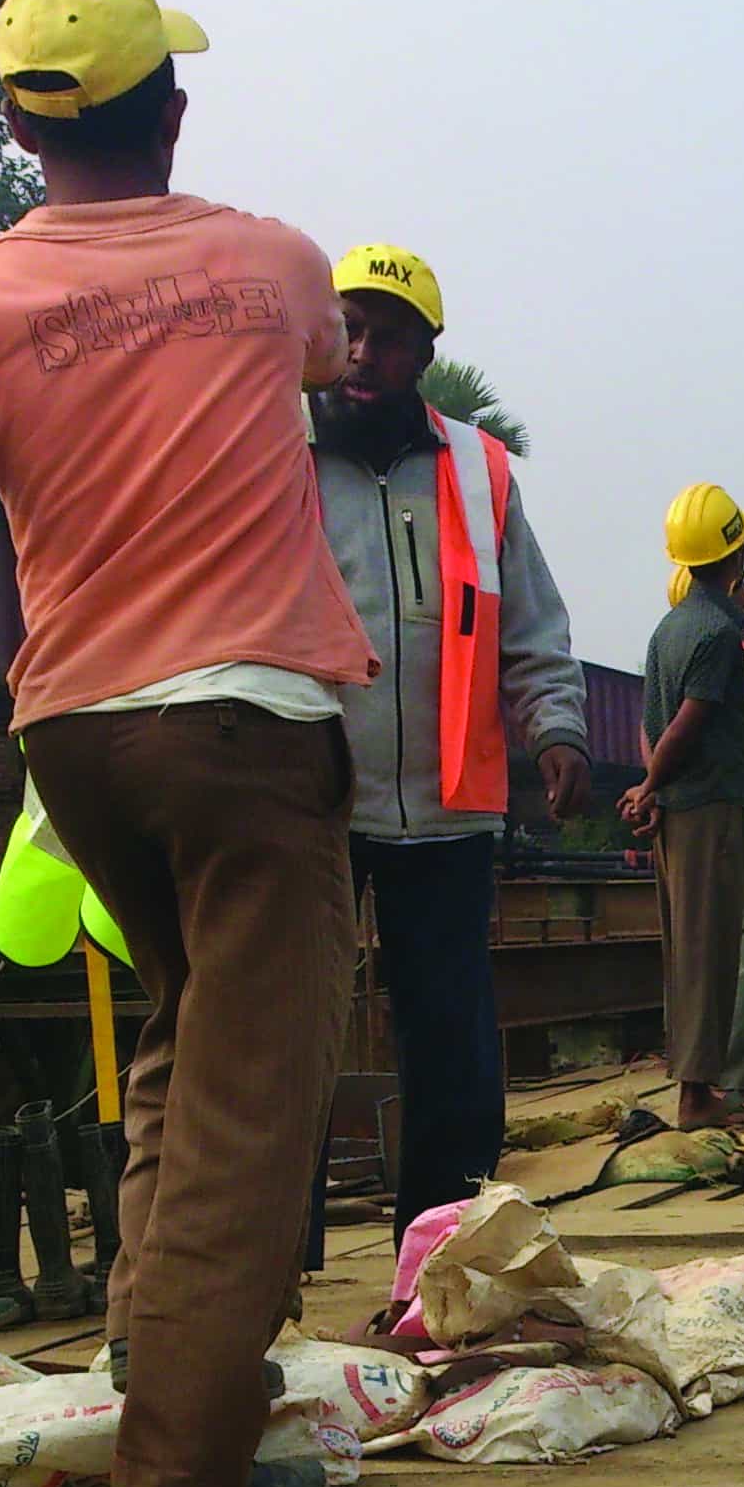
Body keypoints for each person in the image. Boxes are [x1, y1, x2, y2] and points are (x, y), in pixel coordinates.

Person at [0, 0, 372, 1487]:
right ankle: (184, 1465)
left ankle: (152, 1344)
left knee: (185, 1040)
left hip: (74, 734)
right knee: (255, 1098)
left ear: (20, 130)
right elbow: (326, 365)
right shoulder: (272, 261)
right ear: (175, 111)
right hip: (248, 725)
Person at [311, 242, 590, 1240]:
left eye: (388, 338)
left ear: (424, 356)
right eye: (349, 329)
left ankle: (441, 1257)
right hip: (309, 802)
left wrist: (557, 727)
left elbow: (530, 622)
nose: (362, 352)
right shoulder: (269, 451)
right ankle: (270, 1270)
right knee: (283, 1038)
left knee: (452, 1044)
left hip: (446, 809)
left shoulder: (478, 471)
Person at [630, 486, 744, 1134]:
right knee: (711, 951)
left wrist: (650, 785)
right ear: (735, 554)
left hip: (677, 811)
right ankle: (697, 1096)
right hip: (709, 808)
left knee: (685, 950)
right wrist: (651, 784)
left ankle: (695, 1084)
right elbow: (690, 718)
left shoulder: (670, 627)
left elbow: (650, 720)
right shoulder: (717, 632)